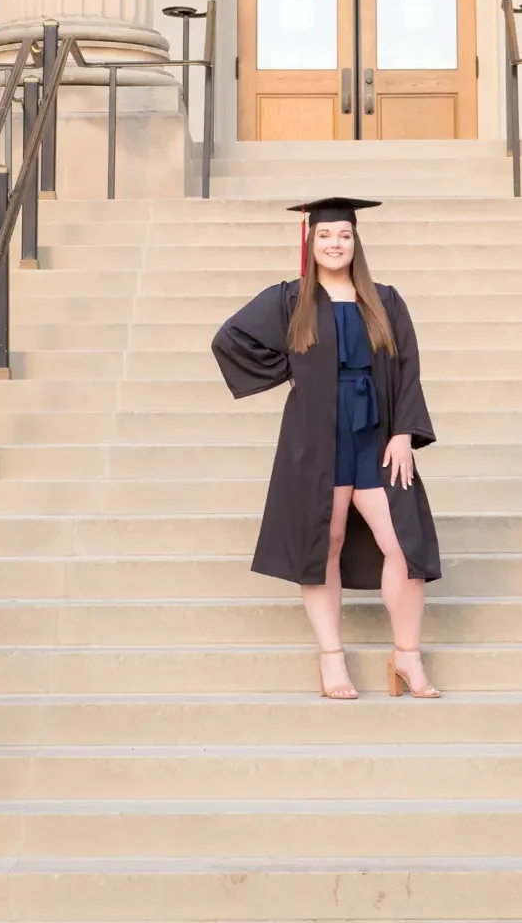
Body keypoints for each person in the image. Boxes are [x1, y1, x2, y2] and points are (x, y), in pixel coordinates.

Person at [211, 196, 441, 700]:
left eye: (343, 235)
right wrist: (289, 373)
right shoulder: (290, 300)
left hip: (376, 437)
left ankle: (407, 656)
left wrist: (404, 433)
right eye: (324, 235)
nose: (334, 243)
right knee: (326, 542)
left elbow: (407, 369)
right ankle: (332, 658)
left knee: (404, 543)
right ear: (310, 241)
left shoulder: (385, 300)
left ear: (355, 242)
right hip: (317, 438)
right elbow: (229, 339)